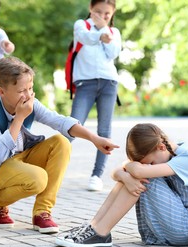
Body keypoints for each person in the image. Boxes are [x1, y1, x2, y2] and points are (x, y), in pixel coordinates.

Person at [0, 56, 119, 234]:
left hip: (20, 158)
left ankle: (42, 212)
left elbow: (59, 121)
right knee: (38, 178)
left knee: (61, 142)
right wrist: (19, 117)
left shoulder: (30, 103)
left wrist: (94, 138)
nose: (28, 95)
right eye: (22, 90)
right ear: (1, 92)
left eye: (30, 88)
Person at [55, 123, 188, 247]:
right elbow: (116, 173)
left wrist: (130, 170)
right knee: (133, 177)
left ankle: (100, 232)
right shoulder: (166, 153)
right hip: (175, 225)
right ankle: (94, 226)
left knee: (142, 178)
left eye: (150, 162)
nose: (148, 165)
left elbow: (137, 170)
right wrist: (125, 175)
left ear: (161, 147)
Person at [70, 0, 122, 191]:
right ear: (91, 9)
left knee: (104, 130)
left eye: (107, 14)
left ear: (113, 12)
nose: (102, 16)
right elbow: (86, 38)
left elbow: (113, 52)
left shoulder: (114, 33)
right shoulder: (80, 25)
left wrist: (105, 30)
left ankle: (96, 175)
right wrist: (101, 31)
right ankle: (53, 167)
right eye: (98, 12)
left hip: (109, 83)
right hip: (85, 83)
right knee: (72, 125)